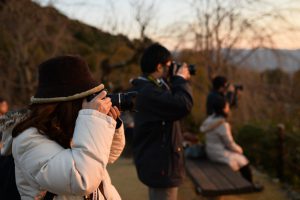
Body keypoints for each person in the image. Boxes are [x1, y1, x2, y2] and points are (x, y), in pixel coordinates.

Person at [0, 55, 125, 199]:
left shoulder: (73, 127)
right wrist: (93, 120)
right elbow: (82, 180)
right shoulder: (29, 139)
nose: (94, 102)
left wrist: (110, 123)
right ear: (69, 103)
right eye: (88, 97)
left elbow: (107, 156)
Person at [131, 43, 193, 200]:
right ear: (159, 67)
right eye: (168, 66)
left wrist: (176, 80)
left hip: (158, 163)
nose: (170, 69)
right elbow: (183, 105)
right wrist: (180, 79)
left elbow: (171, 102)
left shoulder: (149, 87)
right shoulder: (149, 91)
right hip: (161, 167)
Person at [200, 98, 263, 191]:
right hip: (218, 154)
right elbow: (230, 143)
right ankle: (249, 185)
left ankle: (246, 183)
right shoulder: (222, 125)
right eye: (227, 106)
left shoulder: (210, 119)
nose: (228, 108)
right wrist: (239, 149)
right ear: (223, 109)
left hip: (210, 151)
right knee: (244, 161)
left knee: (239, 159)